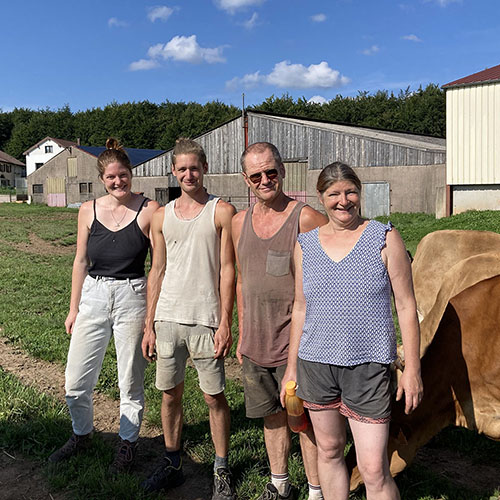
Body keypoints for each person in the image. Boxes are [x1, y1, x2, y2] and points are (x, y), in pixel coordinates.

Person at [281, 162, 424, 500]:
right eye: (334, 194)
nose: (343, 201)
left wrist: (412, 369)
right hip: (315, 366)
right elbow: (300, 307)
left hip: (369, 367)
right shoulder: (306, 245)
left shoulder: (384, 238)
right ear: (321, 197)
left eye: (350, 192)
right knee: (329, 453)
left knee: (374, 469)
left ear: (359, 193)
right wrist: (290, 368)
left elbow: (406, 306)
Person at [48, 138, 159, 473]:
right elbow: (80, 261)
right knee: (75, 379)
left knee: (130, 378)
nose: (118, 182)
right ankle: (82, 434)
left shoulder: (149, 210)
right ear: (102, 179)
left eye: (123, 175)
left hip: (132, 294)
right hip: (93, 295)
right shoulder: (88, 210)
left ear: (131, 173)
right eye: (111, 177)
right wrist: (73, 308)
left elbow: (158, 266)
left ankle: (127, 444)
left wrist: (151, 319)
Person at [141, 138, 236, 499]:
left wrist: (225, 321)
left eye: (194, 167)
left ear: (205, 168)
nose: (188, 174)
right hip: (167, 318)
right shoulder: (161, 216)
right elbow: (158, 270)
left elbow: (228, 270)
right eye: (181, 168)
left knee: (214, 397)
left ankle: (221, 467)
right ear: (174, 172)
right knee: (170, 395)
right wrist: (149, 324)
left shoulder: (220, 211)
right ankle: (172, 462)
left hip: (205, 318)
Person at [232, 142, 327, 500]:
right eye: (256, 175)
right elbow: (242, 281)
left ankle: (317, 490)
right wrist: (242, 334)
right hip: (256, 341)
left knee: (303, 421)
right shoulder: (240, 222)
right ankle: (280, 484)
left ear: (282, 171)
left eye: (271, 171)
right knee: (271, 416)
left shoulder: (304, 218)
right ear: (246, 180)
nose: (265, 179)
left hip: (298, 344)